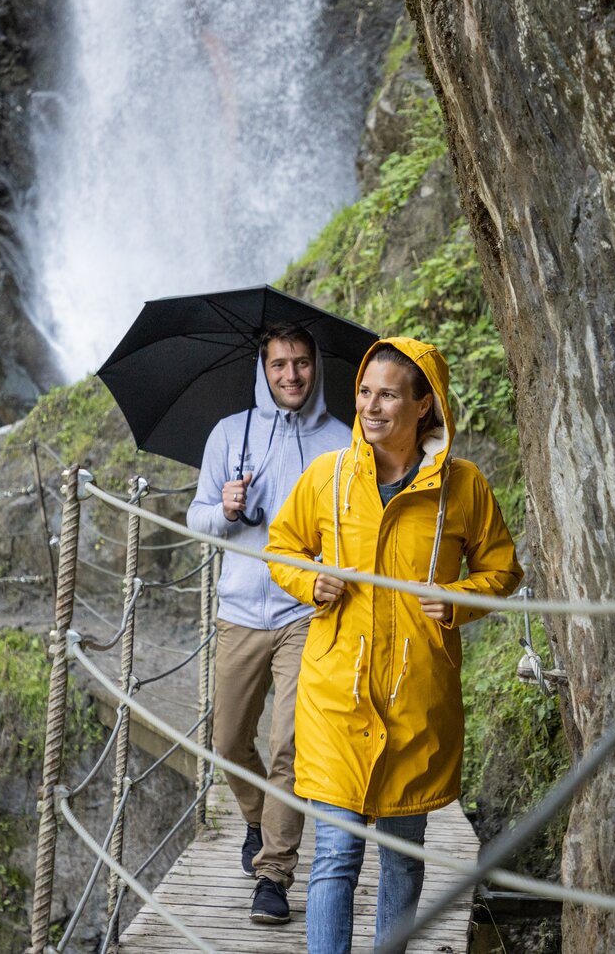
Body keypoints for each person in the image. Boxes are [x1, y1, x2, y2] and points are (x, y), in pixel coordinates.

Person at [266, 337, 523, 953]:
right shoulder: (328, 477)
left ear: (425, 406)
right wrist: (310, 579)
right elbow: (281, 547)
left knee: (404, 858)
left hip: (417, 699)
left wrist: (458, 599)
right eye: (363, 392)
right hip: (337, 695)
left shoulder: (463, 488)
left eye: (387, 395)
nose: (370, 407)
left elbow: (503, 570)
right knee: (335, 853)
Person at [186, 323, 351, 925]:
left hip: (307, 613)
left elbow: (354, 528)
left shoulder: (341, 443)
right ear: (264, 367)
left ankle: (275, 874)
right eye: (279, 364)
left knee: (291, 744)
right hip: (239, 609)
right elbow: (196, 519)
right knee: (228, 742)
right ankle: (257, 818)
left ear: (316, 368)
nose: (291, 376)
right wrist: (223, 510)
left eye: (301, 364)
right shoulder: (231, 434)